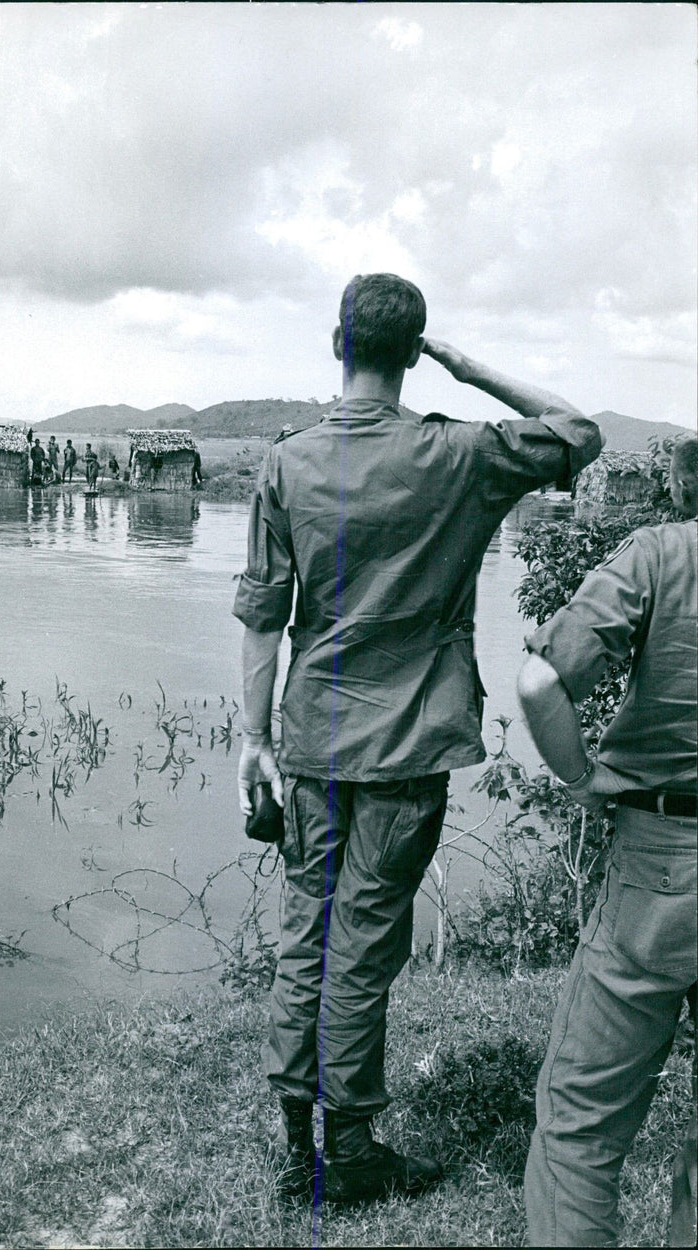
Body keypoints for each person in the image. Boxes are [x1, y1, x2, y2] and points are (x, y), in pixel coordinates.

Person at [232, 272, 602, 1205]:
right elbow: (577, 432)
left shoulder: (287, 462)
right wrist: (465, 366)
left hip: (311, 733)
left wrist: (251, 736)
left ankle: (293, 1142)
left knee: (305, 932)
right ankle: (347, 1155)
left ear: (334, 344)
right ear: (412, 352)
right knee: (361, 944)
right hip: (410, 742)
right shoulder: (459, 455)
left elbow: (262, 615)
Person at [517, 438, 698, 1247]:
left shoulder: (662, 555)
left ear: (679, 484)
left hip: (665, 861)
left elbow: (540, 680)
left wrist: (580, 776)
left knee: (580, 1128)